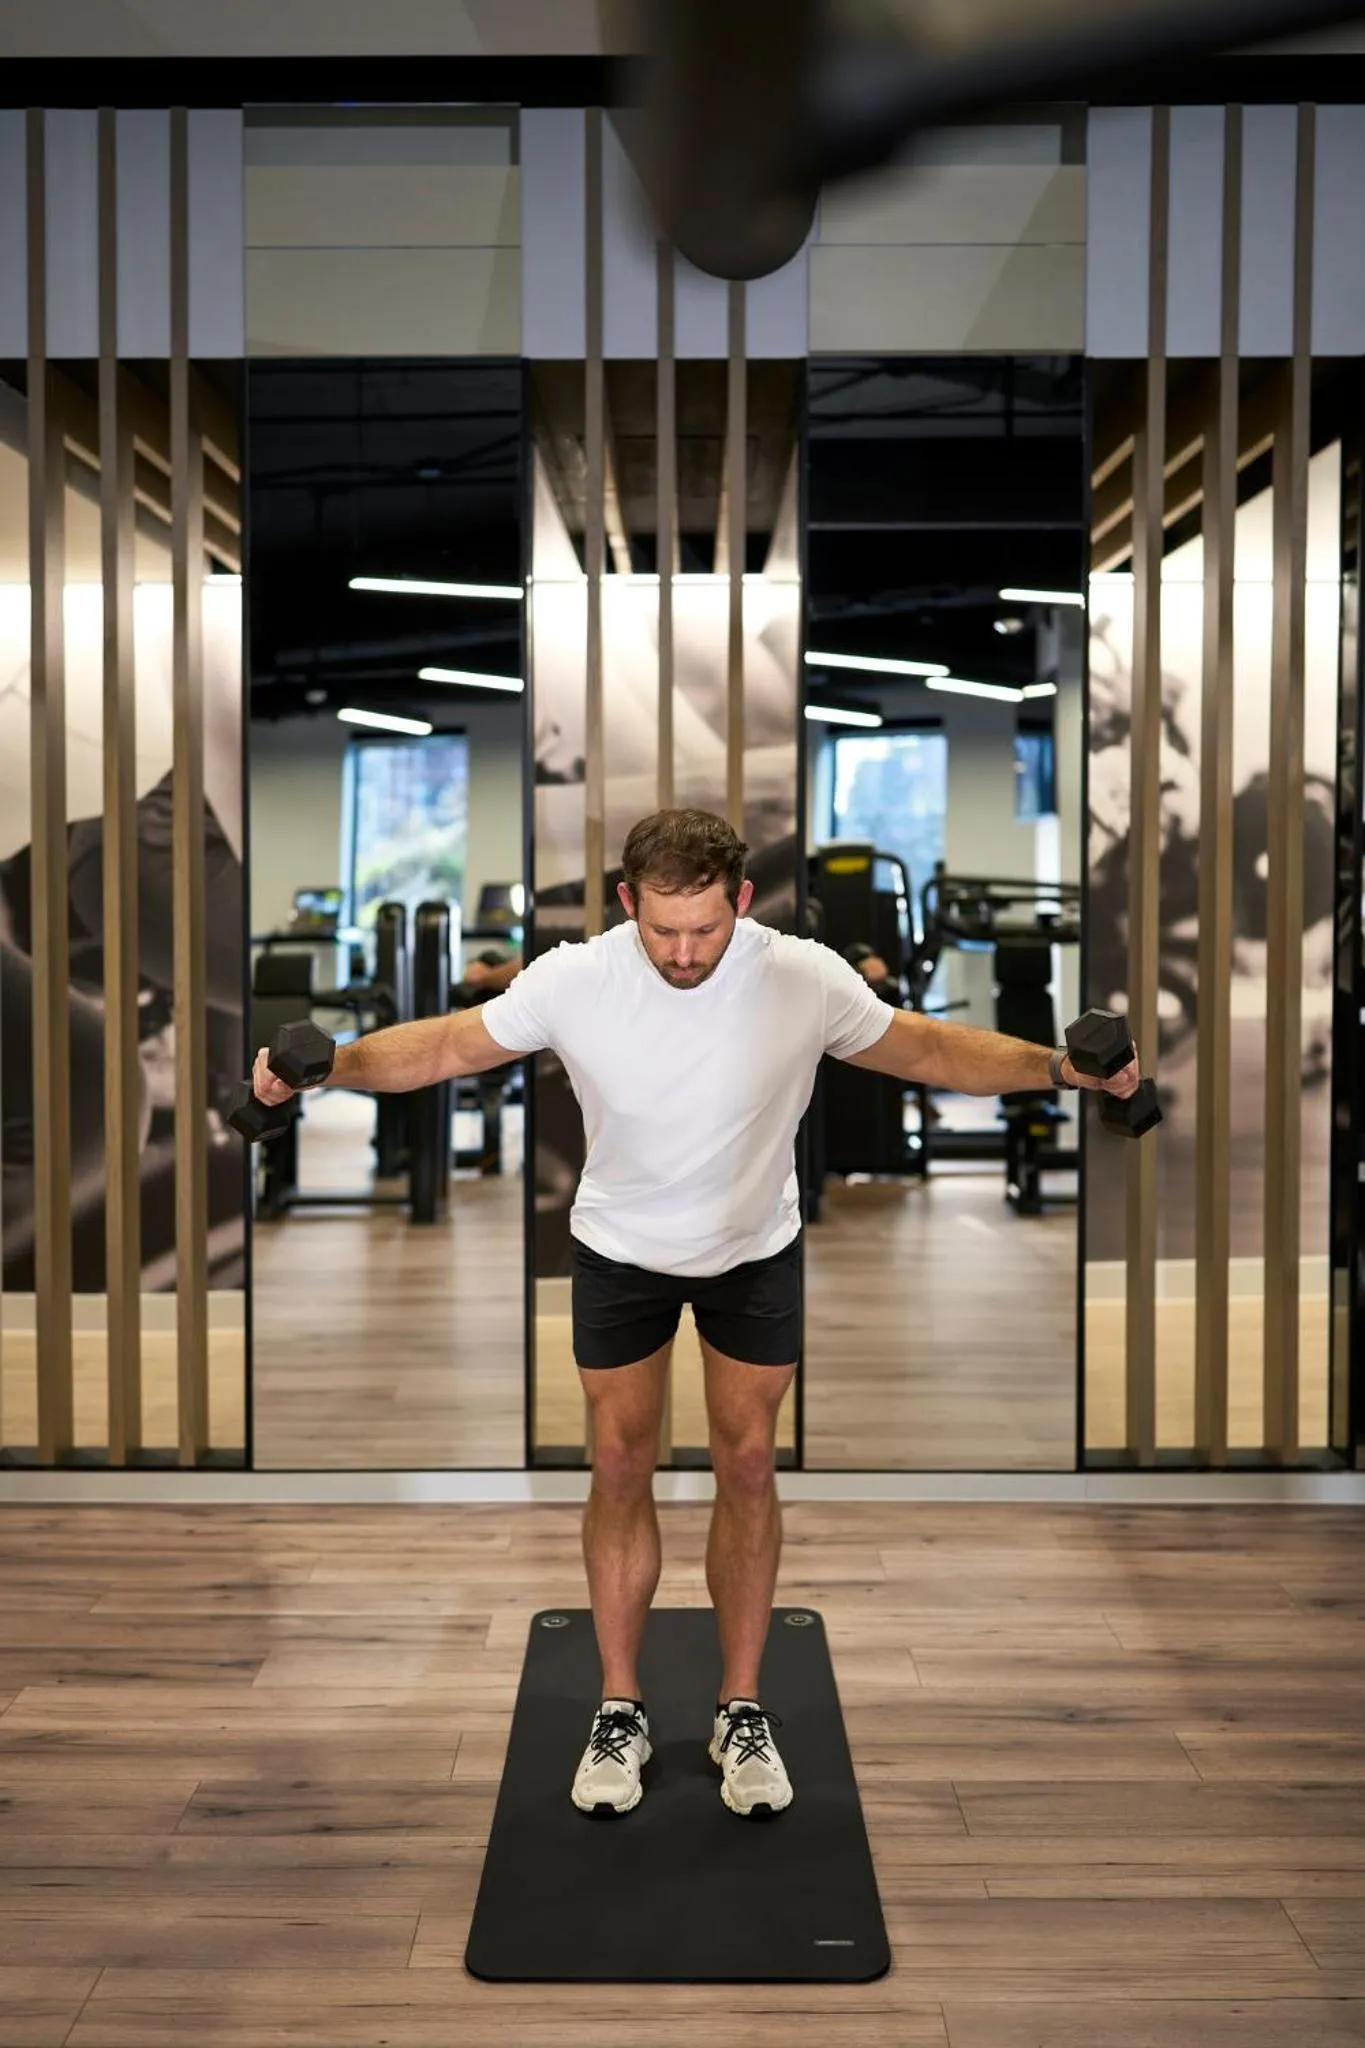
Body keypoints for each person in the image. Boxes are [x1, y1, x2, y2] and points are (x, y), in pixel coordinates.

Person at [250, 809, 1141, 1822]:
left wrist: (1060, 1070)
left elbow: (928, 1049)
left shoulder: (802, 976)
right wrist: (327, 1070)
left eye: (705, 931)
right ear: (629, 902)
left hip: (752, 1251)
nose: (683, 953)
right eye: (664, 930)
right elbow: (449, 1043)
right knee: (620, 1461)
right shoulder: (576, 975)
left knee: (747, 1460)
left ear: (741, 903)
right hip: (619, 1251)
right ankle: (621, 1703)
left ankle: (740, 1703)